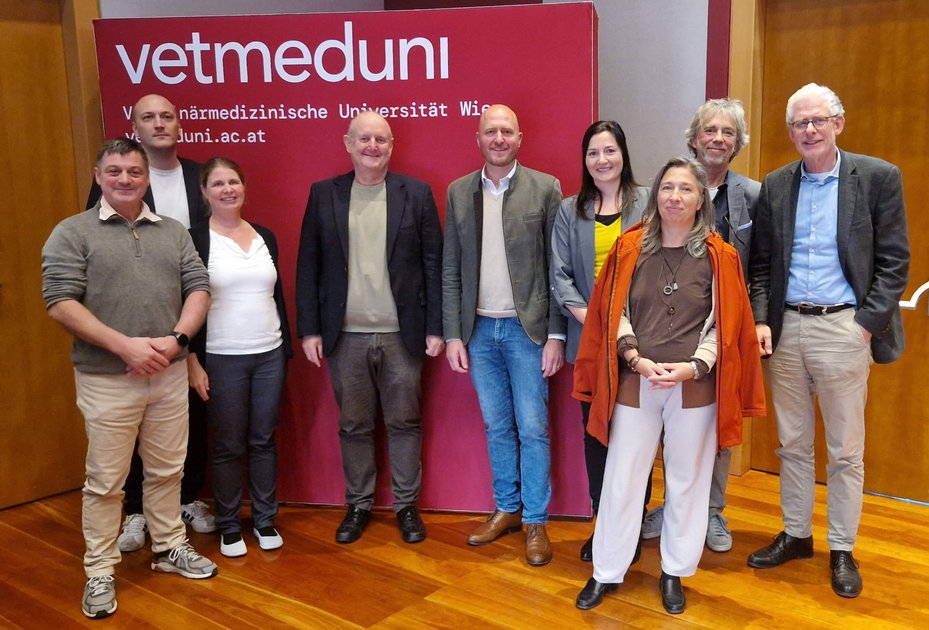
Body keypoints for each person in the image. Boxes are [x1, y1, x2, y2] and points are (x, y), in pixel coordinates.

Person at [573, 157, 765, 614]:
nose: (674, 197)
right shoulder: (628, 248)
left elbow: (728, 327)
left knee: (688, 480)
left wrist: (695, 367)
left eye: (685, 189)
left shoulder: (721, 257)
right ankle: (606, 570)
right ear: (655, 195)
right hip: (636, 379)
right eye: (667, 188)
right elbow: (611, 312)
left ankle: (674, 571)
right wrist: (634, 358)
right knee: (622, 478)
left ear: (701, 201)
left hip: (694, 385)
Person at [43, 138, 218, 620]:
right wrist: (126, 347)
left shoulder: (173, 232)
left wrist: (177, 341)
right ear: (99, 176)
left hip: (168, 373)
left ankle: (169, 546)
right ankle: (100, 569)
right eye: (115, 171)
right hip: (108, 377)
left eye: (134, 171)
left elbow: (199, 287)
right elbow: (60, 301)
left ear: (146, 177)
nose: (125, 179)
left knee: (167, 471)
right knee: (106, 482)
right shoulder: (72, 232)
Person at [746, 83, 910, 598]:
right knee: (791, 443)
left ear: (838, 123)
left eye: (818, 120)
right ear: (790, 131)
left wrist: (865, 323)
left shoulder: (878, 177)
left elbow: (895, 261)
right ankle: (797, 534)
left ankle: (842, 547)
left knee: (845, 450)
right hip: (786, 329)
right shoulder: (776, 185)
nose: (809, 130)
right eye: (800, 123)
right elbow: (762, 264)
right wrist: (762, 319)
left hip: (844, 327)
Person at [296, 112, 444, 545]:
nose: (372, 147)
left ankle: (406, 505)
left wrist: (435, 327)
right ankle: (358, 504)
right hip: (344, 335)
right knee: (354, 425)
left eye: (381, 139)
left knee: (405, 422)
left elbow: (434, 264)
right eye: (364, 139)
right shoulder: (324, 194)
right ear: (348, 143)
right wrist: (310, 330)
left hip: (403, 334)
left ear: (391, 145)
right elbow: (308, 265)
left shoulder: (416, 194)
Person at [86, 94, 215, 552]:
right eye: (148, 117)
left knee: (191, 413)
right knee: (137, 419)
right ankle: (137, 510)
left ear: (179, 125)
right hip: (137, 325)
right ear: (134, 128)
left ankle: (186, 499)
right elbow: (101, 250)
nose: (159, 123)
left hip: (194, 312)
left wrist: (187, 340)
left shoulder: (200, 175)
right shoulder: (118, 182)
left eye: (167, 116)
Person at [443, 104, 566, 566]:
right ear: (478, 138)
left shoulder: (545, 188)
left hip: (527, 331)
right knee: (497, 426)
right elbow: (451, 268)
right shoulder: (459, 192)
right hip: (477, 330)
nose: (499, 139)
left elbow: (558, 267)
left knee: (533, 428)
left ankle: (535, 520)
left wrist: (556, 335)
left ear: (519, 138)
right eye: (491, 131)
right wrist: (453, 334)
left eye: (507, 131)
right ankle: (507, 508)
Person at [641, 98, 760, 553]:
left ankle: (710, 510)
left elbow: (762, 265)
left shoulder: (753, 195)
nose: (718, 139)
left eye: (728, 132)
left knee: (718, 424)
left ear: (738, 143)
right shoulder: (670, 189)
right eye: (710, 130)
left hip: (723, 332)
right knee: (670, 428)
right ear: (694, 138)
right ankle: (673, 505)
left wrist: (759, 321)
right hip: (670, 332)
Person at [550, 120, 648, 563]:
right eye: (593, 153)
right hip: (589, 342)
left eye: (610, 150)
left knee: (636, 439)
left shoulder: (649, 201)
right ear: (585, 160)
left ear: (623, 154)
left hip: (641, 343)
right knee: (596, 436)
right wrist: (597, 322)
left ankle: (634, 524)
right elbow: (559, 275)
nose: (602, 160)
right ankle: (604, 523)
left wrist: (622, 325)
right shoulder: (569, 210)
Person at [186, 157, 293, 557]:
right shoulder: (194, 239)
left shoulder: (265, 236)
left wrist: (284, 349)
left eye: (233, 181)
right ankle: (229, 524)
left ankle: (265, 520)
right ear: (204, 192)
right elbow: (184, 301)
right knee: (228, 444)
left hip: (269, 354)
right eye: (217, 183)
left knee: (263, 440)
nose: (227, 189)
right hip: (221, 357)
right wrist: (190, 360)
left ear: (244, 187)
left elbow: (276, 296)